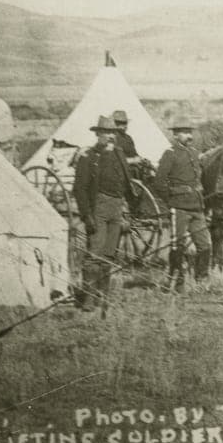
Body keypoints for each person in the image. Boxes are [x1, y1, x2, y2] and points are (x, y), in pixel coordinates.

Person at [72, 115, 138, 314]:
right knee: (94, 254)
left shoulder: (119, 154)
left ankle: (104, 297)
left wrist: (127, 211)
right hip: (98, 208)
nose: (110, 137)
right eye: (106, 133)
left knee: (109, 255)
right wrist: (87, 216)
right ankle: (88, 299)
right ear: (98, 134)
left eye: (113, 133)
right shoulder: (89, 157)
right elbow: (80, 189)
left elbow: (127, 186)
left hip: (116, 208)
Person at [153, 119, 210, 291]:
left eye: (190, 132)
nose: (189, 136)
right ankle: (176, 282)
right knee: (177, 245)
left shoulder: (194, 153)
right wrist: (171, 200)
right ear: (175, 135)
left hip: (196, 206)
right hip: (179, 207)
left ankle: (201, 280)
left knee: (204, 245)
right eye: (185, 132)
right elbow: (159, 183)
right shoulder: (170, 154)